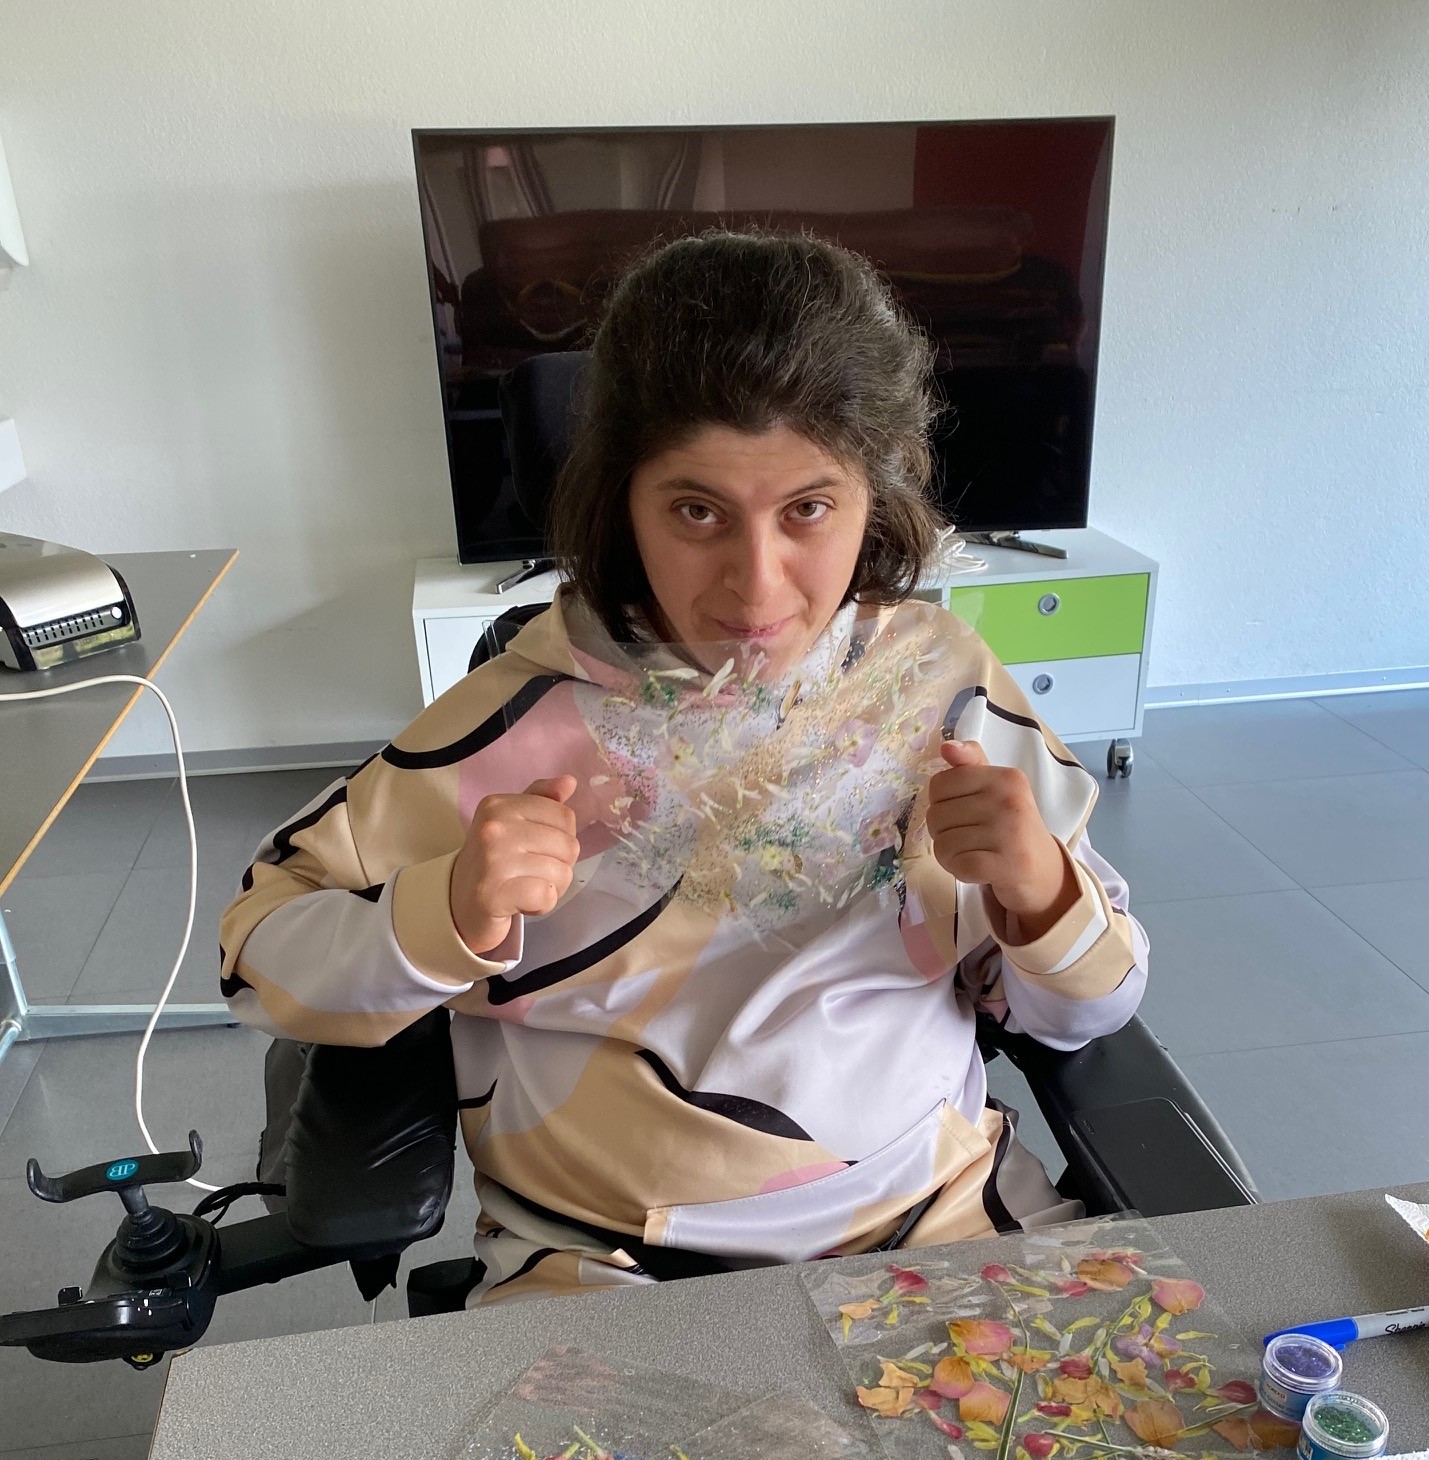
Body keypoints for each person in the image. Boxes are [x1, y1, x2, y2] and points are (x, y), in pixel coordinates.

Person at [220, 231, 1148, 1303]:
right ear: (623, 498)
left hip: (941, 1220)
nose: (757, 589)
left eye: (808, 510)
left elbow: (1096, 1008)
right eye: (697, 511)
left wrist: (1040, 892)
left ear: (877, 490)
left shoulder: (938, 683)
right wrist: (449, 912)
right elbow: (258, 959)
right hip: (608, 1261)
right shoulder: (512, 725)